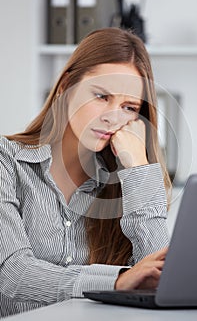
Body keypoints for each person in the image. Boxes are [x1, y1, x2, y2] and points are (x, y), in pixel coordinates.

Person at [0, 27, 171, 318]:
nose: (113, 116)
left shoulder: (128, 182)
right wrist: (116, 280)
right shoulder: (7, 161)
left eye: (128, 107)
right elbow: (12, 273)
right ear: (67, 86)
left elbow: (159, 279)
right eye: (102, 96)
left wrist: (139, 167)